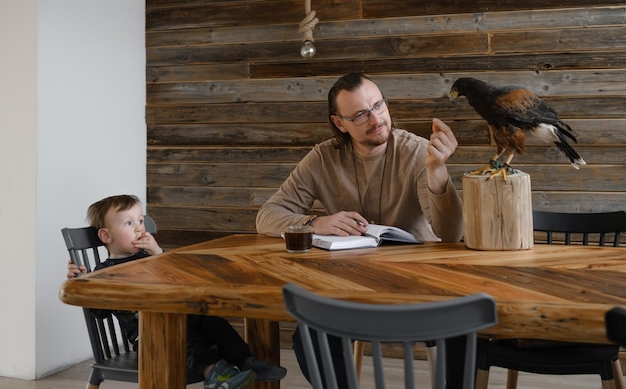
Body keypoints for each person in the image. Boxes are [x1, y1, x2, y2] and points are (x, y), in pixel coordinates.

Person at [255, 73, 465, 388]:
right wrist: (315, 223)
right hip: (346, 288)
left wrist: (437, 171)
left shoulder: (420, 152)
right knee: (310, 335)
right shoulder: (323, 157)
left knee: (462, 324)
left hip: (416, 287)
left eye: (378, 105)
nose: (376, 119)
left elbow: (451, 234)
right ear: (340, 124)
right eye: (360, 115)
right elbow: (267, 216)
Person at [66, 195, 286, 389]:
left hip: (181, 319)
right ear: (106, 236)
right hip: (149, 335)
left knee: (214, 322)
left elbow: (175, 275)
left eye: (140, 221)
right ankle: (214, 374)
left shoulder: (148, 258)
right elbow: (99, 312)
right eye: (128, 223)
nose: (139, 228)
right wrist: (82, 282)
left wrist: (158, 254)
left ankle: (247, 361)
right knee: (184, 337)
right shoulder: (104, 272)